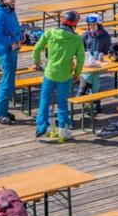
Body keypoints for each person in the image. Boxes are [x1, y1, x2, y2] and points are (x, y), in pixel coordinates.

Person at [32, 11, 85, 140]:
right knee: (62, 103)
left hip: (50, 73)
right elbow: (81, 59)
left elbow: (37, 48)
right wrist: (77, 74)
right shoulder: (77, 39)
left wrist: (37, 61)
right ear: (75, 24)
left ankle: (41, 127)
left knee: (44, 100)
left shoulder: (50, 32)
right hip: (65, 75)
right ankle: (62, 129)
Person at [0, 0, 24, 125]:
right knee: (6, 82)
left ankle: (3, 110)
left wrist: (20, 37)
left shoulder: (10, 10)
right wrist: (11, 43)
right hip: (6, 51)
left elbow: (15, 26)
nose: (13, 2)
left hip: (14, 49)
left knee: (10, 82)